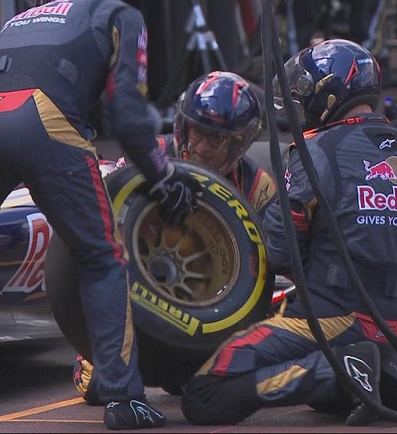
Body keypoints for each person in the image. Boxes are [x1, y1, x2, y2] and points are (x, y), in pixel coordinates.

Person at [0, 0, 201, 429]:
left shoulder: (21, 17)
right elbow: (127, 117)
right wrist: (163, 176)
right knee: (100, 257)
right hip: (40, 113)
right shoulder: (121, 15)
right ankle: (124, 400)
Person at [181, 39, 397, 426]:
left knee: (203, 394)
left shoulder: (316, 151)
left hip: (329, 318)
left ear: (329, 94)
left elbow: (280, 252)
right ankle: (371, 366)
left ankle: (340, 369)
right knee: (325, 397)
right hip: (395, 325)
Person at [73, 70, 278, 402]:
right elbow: (100, 229)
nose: (202, 147)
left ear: (240, 144)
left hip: (209, 309)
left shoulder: (257, 187)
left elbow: (272, 266)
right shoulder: (146, 154)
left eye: (218, 139)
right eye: (198, 131)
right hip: (136, 290)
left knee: (206, 384)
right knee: (97, 387)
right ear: (183, 125)